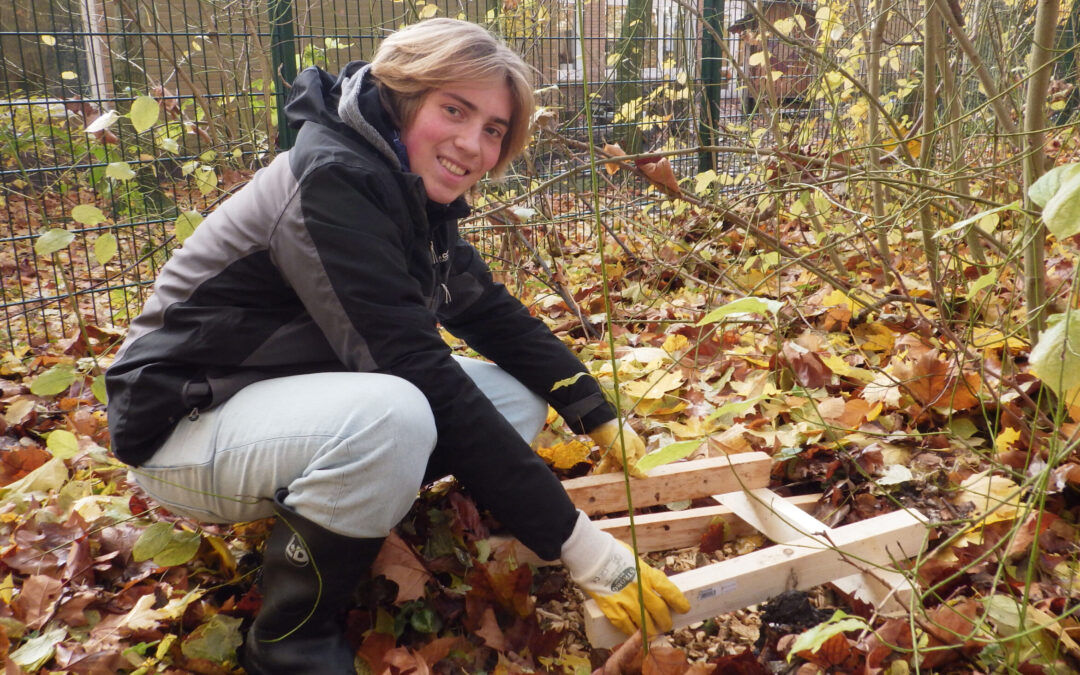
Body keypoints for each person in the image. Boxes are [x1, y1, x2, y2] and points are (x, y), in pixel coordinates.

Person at [104, 18, 688, 674]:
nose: (472, 144)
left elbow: (489, 313)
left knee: (514, 400)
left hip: (270, 408)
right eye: (454, 110)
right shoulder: (331, 179)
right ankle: (290, 638)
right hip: (182, 425)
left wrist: (595, 411)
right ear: (404, 97)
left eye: (493, 129)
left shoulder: (405, 192)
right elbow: (416, 368)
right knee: (395, 411)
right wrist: (586, 550)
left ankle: (345, 513)